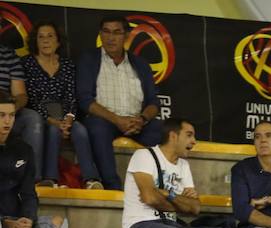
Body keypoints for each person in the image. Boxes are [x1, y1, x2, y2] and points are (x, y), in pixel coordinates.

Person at [0, 89, 75, 228]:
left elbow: (28, 193)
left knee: (59, 221)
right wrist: (4, 222)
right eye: (1, 115)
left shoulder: (22, 148)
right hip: (2, 223)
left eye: (11, 115)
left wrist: (28, 219)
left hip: (15, 222)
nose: (7, 121)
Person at [76, 15, 163, 190]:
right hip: (105, 120)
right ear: (100, 34)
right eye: (106, 32)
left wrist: (142, 119)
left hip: (137, 122)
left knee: (168, 132)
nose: (110, 37)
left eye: (117, 32)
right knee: (97, 128)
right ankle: (113, 188)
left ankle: (162, 188)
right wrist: (117, 120)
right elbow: (85, 100)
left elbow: (154, 102)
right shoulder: (89, 59)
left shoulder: (140, 64)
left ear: (127, 36)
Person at [23, 21, 101, 188]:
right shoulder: (27, 64)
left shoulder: (67, 65)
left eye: (50, 36)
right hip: (40, 114)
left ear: (58, 42)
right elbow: (30, 99)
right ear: (35, 42)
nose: (45, 41)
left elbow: (72, 96)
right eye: (41, 37)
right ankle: (51, 179)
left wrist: (69, 119)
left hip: (65, 114)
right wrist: (52, 120)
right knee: (53, 130)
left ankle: (91, 179)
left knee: (80, 130)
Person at [0, 39, 49, 186]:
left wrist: (10, 110)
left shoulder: (8, 55)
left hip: (4, 109)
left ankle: (31, 180)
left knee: (32, 118)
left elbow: (20, 95)